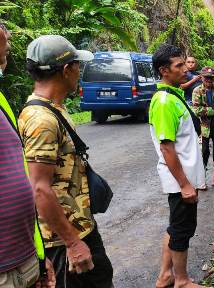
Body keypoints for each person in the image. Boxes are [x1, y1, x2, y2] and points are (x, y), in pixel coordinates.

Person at [19, 35, 113, 288]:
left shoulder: (52, 109)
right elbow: (39, 188)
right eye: (77, 65)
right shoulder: (42, 120)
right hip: (64, 240)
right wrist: (72, 243)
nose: (78, 71)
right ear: (66, 69)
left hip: (79, 227)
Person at [0, 22, 55, 288]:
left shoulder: (1, 101)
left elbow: (21, 179)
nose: (4, 63)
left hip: (25, 260)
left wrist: (40, 257)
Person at [149, 44, 207, 288]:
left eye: (185, 64)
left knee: (175, 227)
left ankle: (165, 276)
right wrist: (184, 184)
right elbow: (167, 147)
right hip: (179, 179)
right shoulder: (164, 101)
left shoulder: (173, 95)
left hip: (184, 177)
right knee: (182, 230)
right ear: (164, 70)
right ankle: (181, 280)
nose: (185, 69)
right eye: (179, 65)